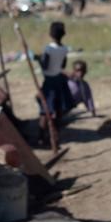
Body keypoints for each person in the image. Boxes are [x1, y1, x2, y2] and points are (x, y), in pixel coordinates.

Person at [38, 21, 73, 151]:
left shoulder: (48, 49)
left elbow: (45, 66)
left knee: (44, 109)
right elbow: (63, 65)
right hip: (59, 80)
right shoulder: (64, 49)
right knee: (58, 109)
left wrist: (39, 60)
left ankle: (41, 137)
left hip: (49, 81)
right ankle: (56, 134)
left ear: (50, 34)